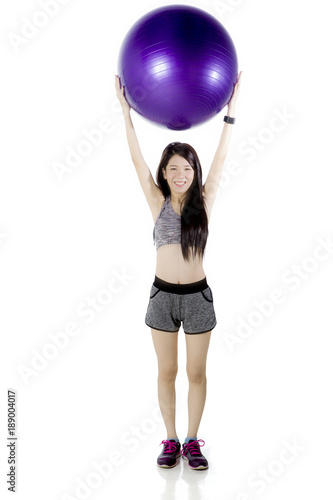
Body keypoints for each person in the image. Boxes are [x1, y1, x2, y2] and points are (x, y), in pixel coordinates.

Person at [115, 71, 242, 470]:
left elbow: (221, 157)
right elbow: (136, 160)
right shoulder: (157, 203)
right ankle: (170, 440)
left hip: (198, 297)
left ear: (193, 171)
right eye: (173, 169)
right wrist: (125, 112)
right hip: (162, 297)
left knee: (196, 373)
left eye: (186, 168)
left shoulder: (204, 202)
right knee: (166, 372)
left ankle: (192, 441)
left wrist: (231, 113)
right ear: (165, 173)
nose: (180, 174)